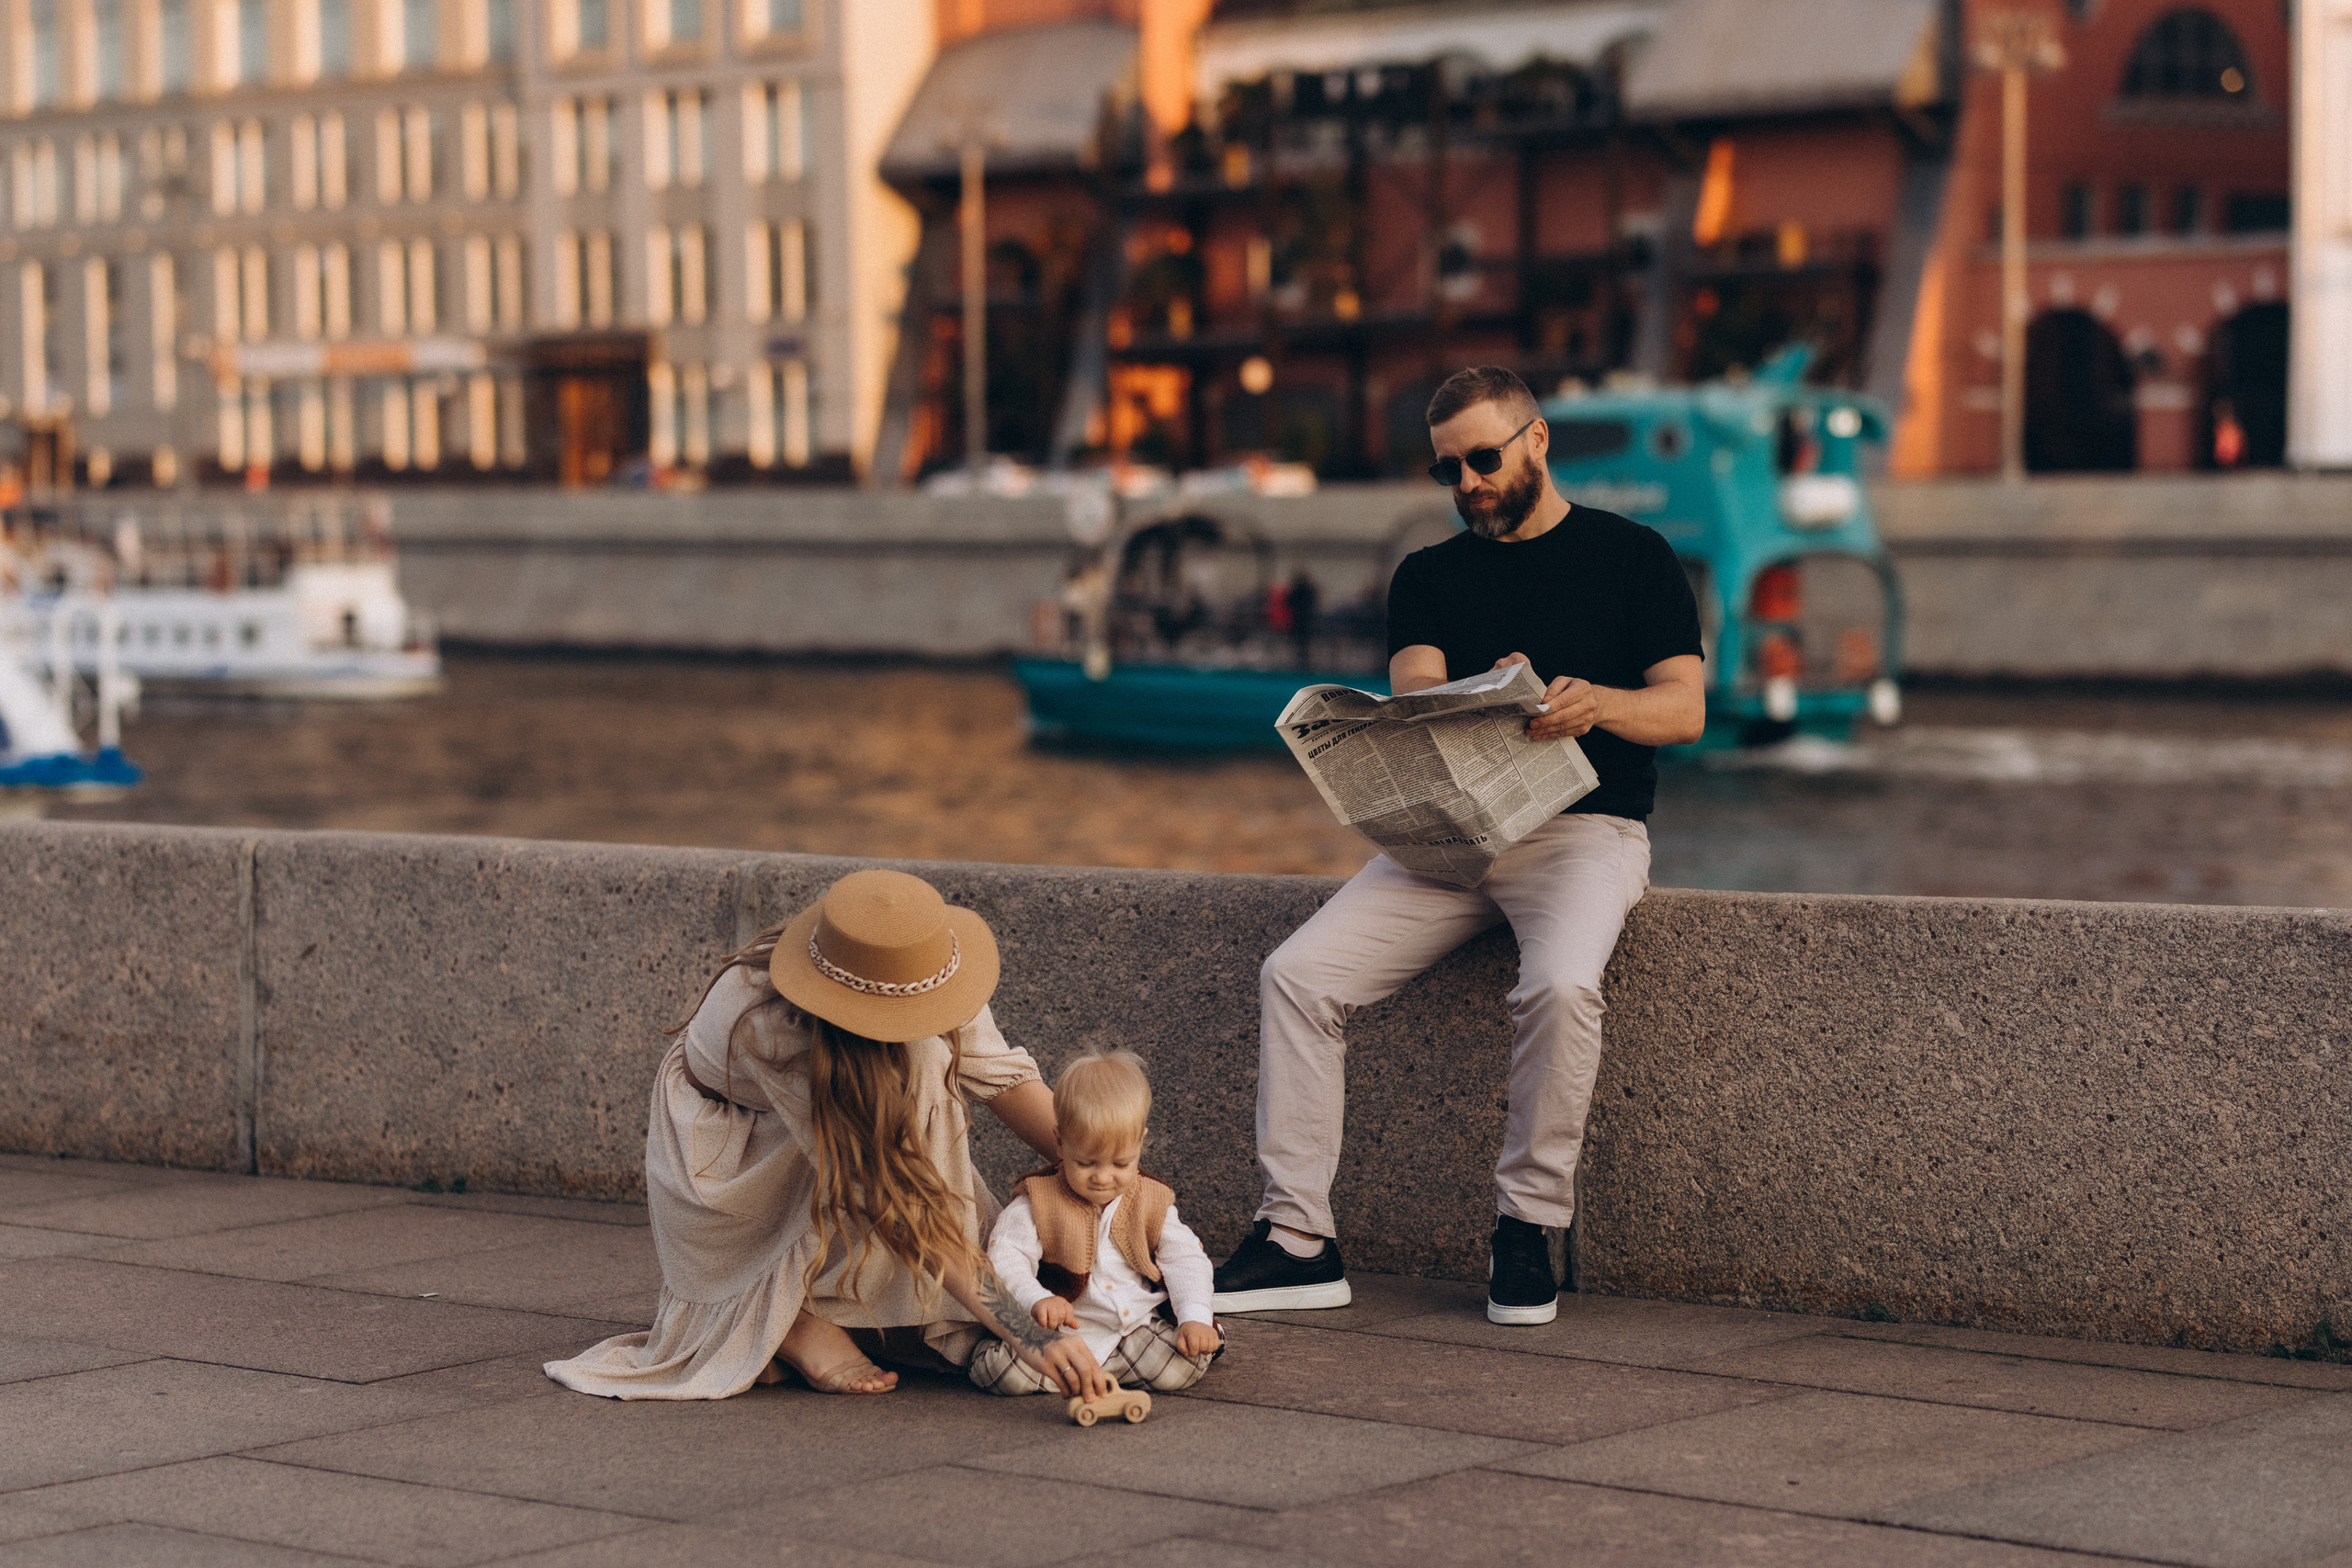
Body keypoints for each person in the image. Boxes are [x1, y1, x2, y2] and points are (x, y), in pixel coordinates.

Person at [1210, 365, 1706, 1327]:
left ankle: (1527, 1226)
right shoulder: (1428, 575)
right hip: (1449, 842)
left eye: (1485, 458)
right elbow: (1415, 692)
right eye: (1449, 471)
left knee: (1560, 986)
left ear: (1537, 440)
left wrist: (1593, 703)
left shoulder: (1634, 556)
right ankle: (1296, 1239)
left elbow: (1684, 709)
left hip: (1583, 832)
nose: (1469, 483)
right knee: (1296, 975)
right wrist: (1478, 697)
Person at [545, 869, 1113, 1400]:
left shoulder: (920, 964)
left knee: (920, 1064)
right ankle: (787, 1322)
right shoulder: (770, 1026)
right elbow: (906, 1212)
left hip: (837, 1133)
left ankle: (821, 1309)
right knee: (919, 1073)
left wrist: (1114, 1177)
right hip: (728, 1167)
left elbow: (1007, 1081)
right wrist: (1024, 1331)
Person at [968, 1048, 1222, 1395]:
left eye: (1120, 1164)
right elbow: (1005, 1259)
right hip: (1061, 1335)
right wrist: (1037, 1298)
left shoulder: (1152, 1199)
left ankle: (1097, 1372)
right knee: (1004, 1373)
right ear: (1059, 1141)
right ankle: (1073, 1370)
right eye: (1086, 1163)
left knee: (1185, 1361)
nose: (1103, 1178)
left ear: (1140, 1142)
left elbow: (1185, 1259)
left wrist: (1195, 1317)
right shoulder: (1037, 1200)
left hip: (1130, 1332)